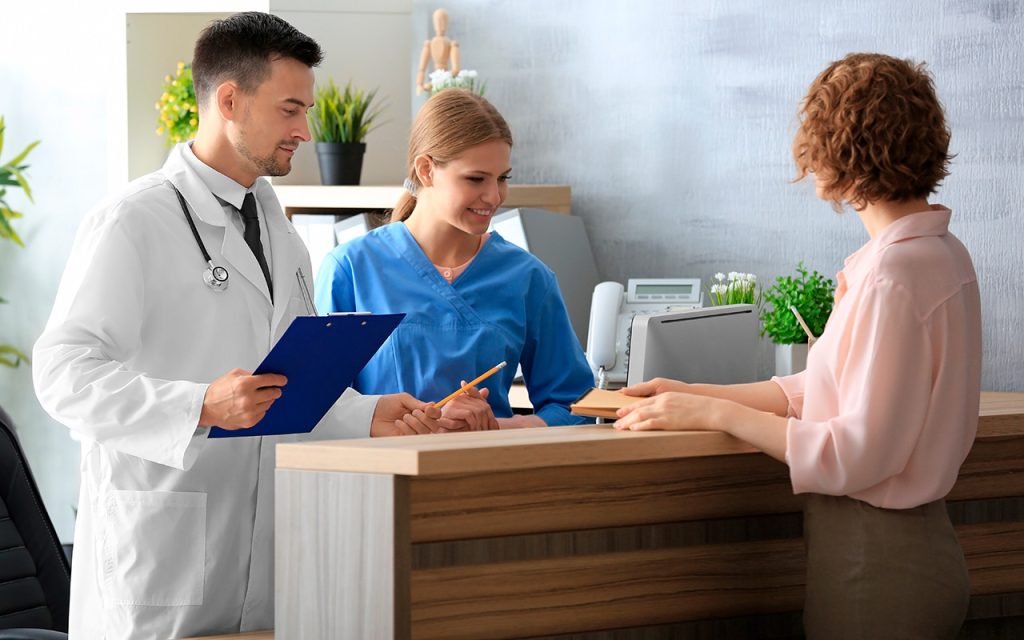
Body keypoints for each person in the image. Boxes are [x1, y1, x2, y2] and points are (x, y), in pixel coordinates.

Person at [32, 13, 486, 639]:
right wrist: (198, 405)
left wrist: (371, 415)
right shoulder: (131, 221)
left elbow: (284, 385)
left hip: (266, 549)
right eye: (290, 110)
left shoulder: (280, 231)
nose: (305, 130)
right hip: (163, 549)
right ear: (228, 100)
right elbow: (62, 374)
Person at [614, 53, 980, 638]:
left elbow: (855, 453)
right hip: (916, 552)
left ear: (841, 155)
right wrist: (693, 392)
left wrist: (716, 413)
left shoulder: (893, 276)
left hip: (877, 564)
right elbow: (828, 391)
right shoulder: (940, 255)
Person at [315, 89, 595, 429]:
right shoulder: (351, 270)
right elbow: (320, 408)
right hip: (377, 478)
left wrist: (494, 429)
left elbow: (576, 406)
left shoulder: (528, 278)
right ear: (426, 170)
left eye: (502, 178)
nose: (494, 196)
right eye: (476, 179)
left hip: (484, 475)